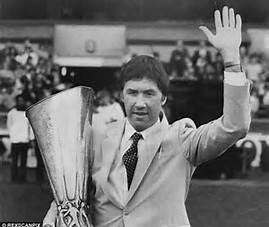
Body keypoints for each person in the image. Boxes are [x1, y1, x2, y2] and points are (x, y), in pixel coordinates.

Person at [43, 7, 251, 227]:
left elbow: (234, 126)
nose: (140, 103)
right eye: (132, 93)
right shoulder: (98, 137)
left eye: (149, 93)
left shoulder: (183, 139)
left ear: (163, 98)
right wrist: (53, 216)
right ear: (121, 95)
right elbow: (70, 192)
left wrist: (231, 60)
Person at [7, 95, 34, 182]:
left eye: (22, 101)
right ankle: (14, 178)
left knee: (23, 160)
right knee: (14, 160)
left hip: (24, 140)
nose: (21, 102)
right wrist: (12, 136)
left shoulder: (28, 112)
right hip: (15, 140)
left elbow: (30, 126)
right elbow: (9, 125)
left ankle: (22, 178)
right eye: (19, 101)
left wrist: (31, 139)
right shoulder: (12, 113)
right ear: (17, 102)